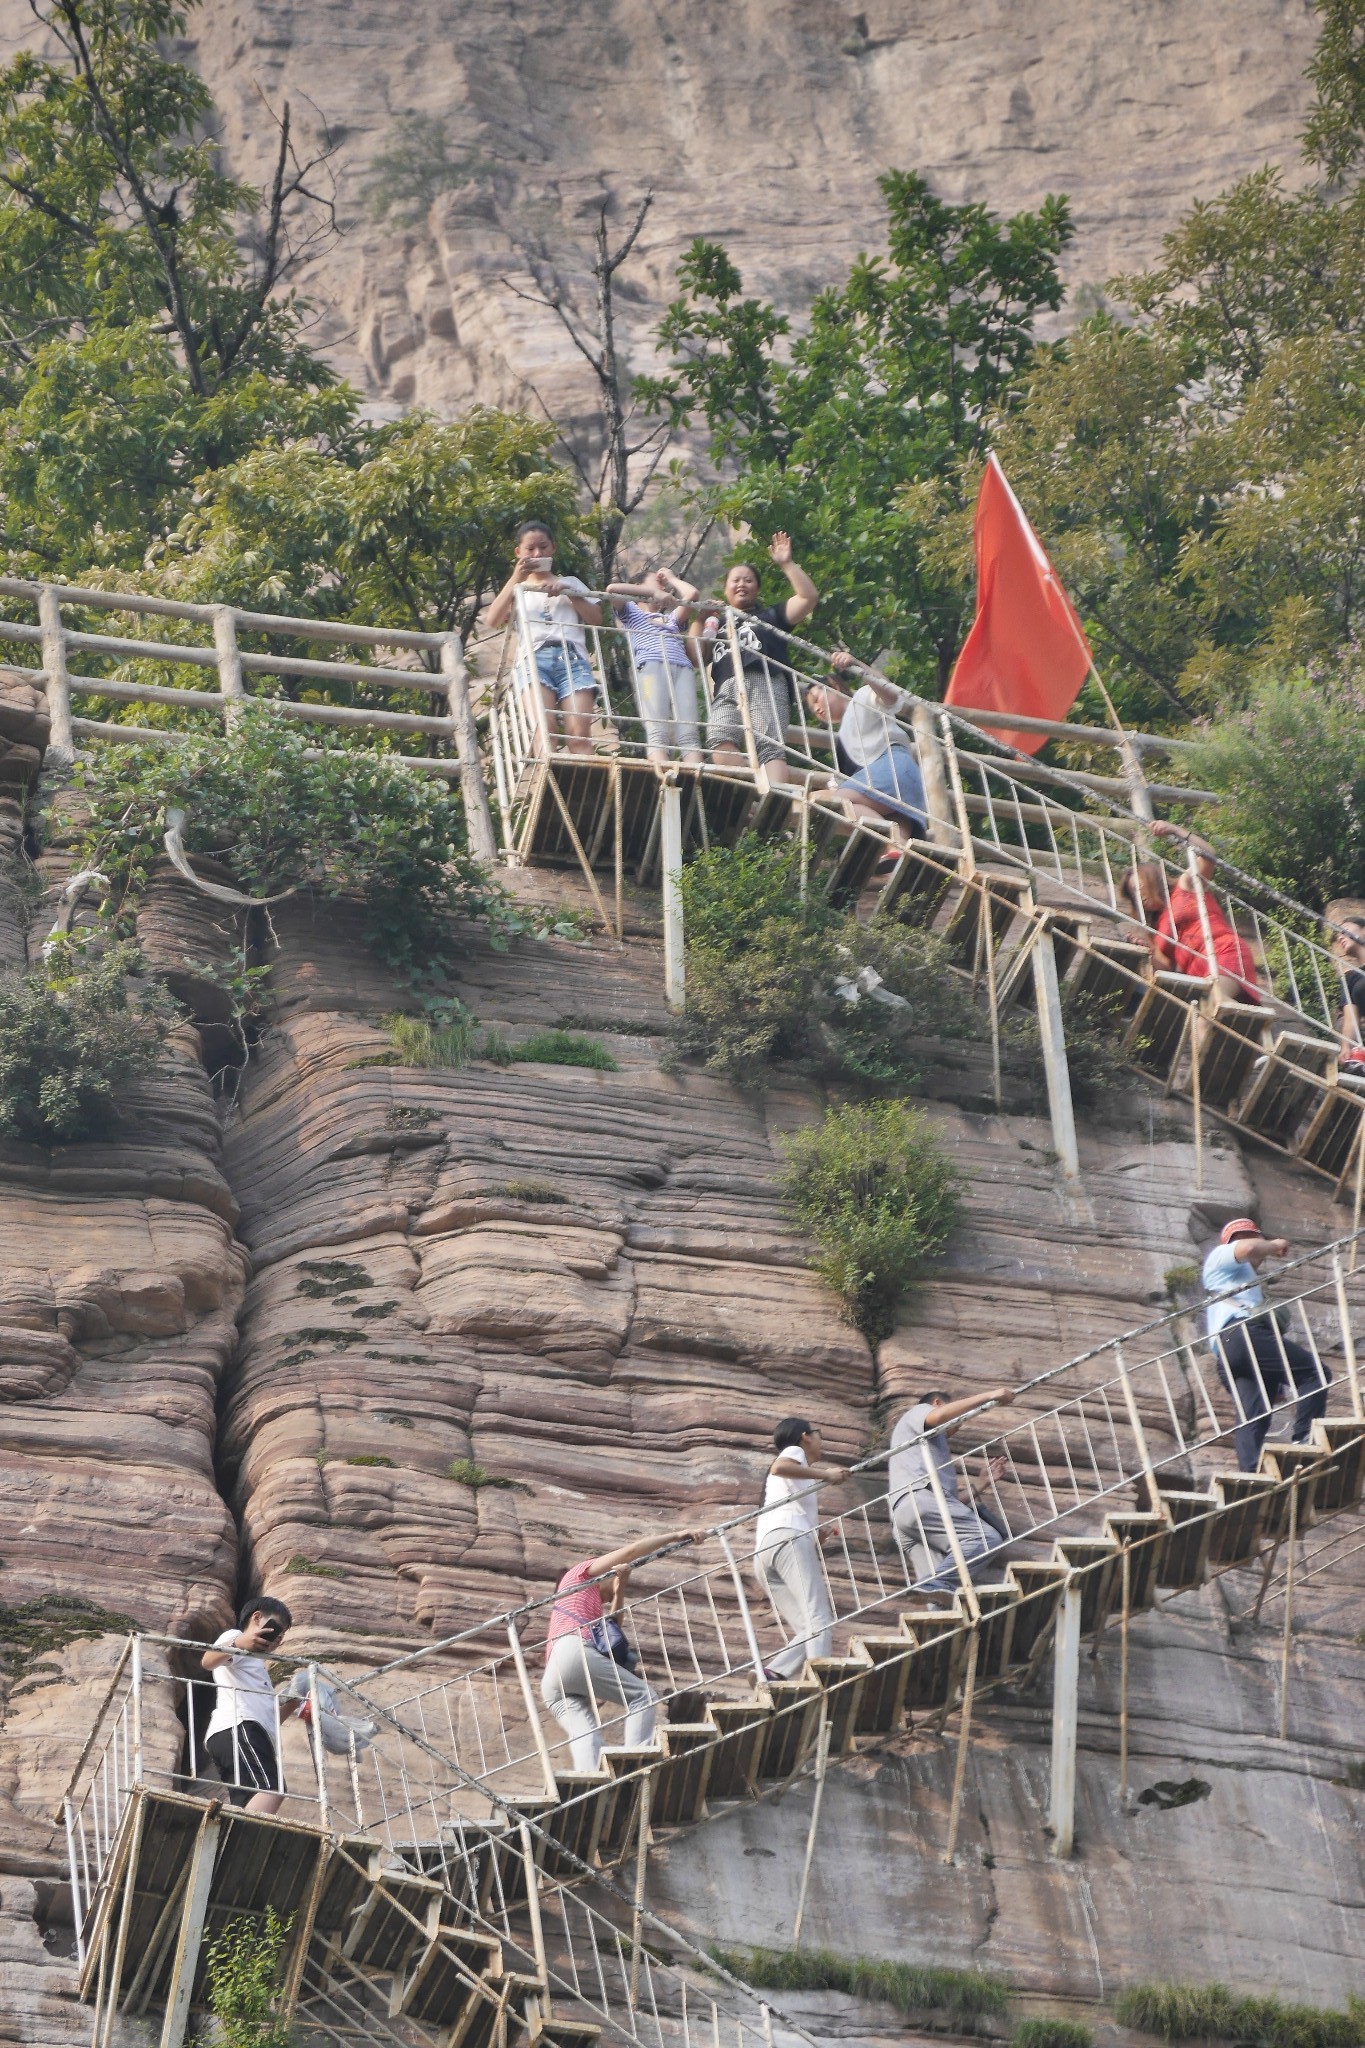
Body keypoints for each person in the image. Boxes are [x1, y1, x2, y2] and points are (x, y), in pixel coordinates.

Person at [541, 1525, 706, 1772]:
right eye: (608, 1594)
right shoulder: (580, 1575)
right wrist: (677, 1535)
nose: (607, 1600)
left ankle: (587, 1786)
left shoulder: (581, 1604)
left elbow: (612, 1635)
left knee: (586, 1734)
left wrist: (620, 1590)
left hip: (553, 1680)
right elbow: (631, 1551)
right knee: (643, 1696)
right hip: (572, 1652)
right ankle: (635, 1763)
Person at [1202, 1219, 1330, 1473]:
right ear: (1244, 1237)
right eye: (1255, 1238)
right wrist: (1274, 1244)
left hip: (1231, 1352)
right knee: (1316, 1373)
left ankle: (1249, 1472)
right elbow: (1248, 1249)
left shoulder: (1242, 1279)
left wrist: (1279, 1382)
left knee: (1254, 1414)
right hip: (1242, 1335)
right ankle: (1304, 1438)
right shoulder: (1221, 1257)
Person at [690, 534, 817, 784]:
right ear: (725, 589)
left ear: (757, 589)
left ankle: (775, 795)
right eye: (735, 580)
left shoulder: (769, 616)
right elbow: (695, 656)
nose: (742, 584)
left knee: (767, 745)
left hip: (764, 678)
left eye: (748, 580)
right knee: (719, 738)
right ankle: (750, 792)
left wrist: (786, 564)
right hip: (725, 685)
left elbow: (808, 598)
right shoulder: (716, 625)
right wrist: (699, 619)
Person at [485, 522, 603, 757]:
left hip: (573, 658)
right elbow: (492, 619)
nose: (537, 554)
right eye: (530, 549)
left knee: (578, 734)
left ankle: (588, 789)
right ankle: (550, 787)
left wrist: (570, 594)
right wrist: (516, 578)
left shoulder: (571, 582)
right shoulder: (517, 589)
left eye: (543, 547)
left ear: (553, 548)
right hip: (534, 659)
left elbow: (597, 619)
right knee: (545, 731)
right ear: (519, 552)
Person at [887, 1387, 1016, 1595]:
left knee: (938, 1595)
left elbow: (949, 1504)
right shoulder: (919, 1411)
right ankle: (935, 1584)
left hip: (907, 1516)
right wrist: (990, 1395)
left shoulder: (930, 1448)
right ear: (937, 1403)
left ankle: (935, 1608)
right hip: (919, 1501)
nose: (958, 1425)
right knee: (986, 1538)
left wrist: (980, 1484)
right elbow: (937, 1416)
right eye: (959, 1418)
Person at [803, 650, 928, 858]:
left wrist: (858, 665)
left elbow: (890, 695)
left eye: (816, 698)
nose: (816, 708)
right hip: (905, 777)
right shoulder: (842, 739)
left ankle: (893, 841)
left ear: (834, 686)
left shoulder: (861, 698)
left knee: (839, 801)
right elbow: (841, 778)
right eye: (812, 707)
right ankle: (898, 849)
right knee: (898, 816)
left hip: (890, 766)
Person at [753, 1417, 846, 1681]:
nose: (820, 1440)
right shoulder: (794, 1453)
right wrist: (827, 1475)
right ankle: (821, 1679)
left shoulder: (794, 1481)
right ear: (805, 1436)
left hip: (765, 1552)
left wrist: (816, 1536)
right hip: (788, 1540)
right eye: (818, 1434)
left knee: (809, 1627)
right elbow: (779, 1467)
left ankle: (773, 1672)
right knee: (819, 1618)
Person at [201, 1596, 302, 1814]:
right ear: (257, 1618)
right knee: (272, 1789)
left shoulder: (256, 1665)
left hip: (245, 1732)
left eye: (282, 1636)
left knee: (248, 1801)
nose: (278, 1639)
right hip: (239, 1727)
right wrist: (238, 1643)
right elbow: (208, 1661)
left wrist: (294, 1702)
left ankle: (235, 1843)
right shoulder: (235, 1637)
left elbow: (270, 1719)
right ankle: (240, 1838)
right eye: (275, 1630)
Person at [1144, 821, 1261, 1003]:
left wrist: (1174, 830)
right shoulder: (1157, 929)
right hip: (1200, 973)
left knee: (1215, 1003)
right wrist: (1147, 949)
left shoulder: (1185, 887)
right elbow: (1166, 966)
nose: (1139, 897)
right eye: (1131, 893)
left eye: (1139, 887)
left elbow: (1208, 855)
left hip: (1222, 951)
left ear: (1152, 880)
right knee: (1203, 1022)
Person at [605, 567, 703, 764]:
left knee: (689, 732)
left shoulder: (671, 619)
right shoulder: (631, 612)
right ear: (637, 587)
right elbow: (612, 589)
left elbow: (692, 594)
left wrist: (672, 578)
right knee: (657, 730)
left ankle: (695, 778)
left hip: (681, 669)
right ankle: (662, 774)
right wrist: (652, 592)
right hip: (650, 667)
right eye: (659, 583)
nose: (664, 588)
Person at [1331, 916, 1365, 1072]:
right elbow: (1351, 1018)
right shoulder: (1351, 977)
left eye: (1345, 930)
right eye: (1338, 935)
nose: (1340, 937)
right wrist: (1346, 1046)